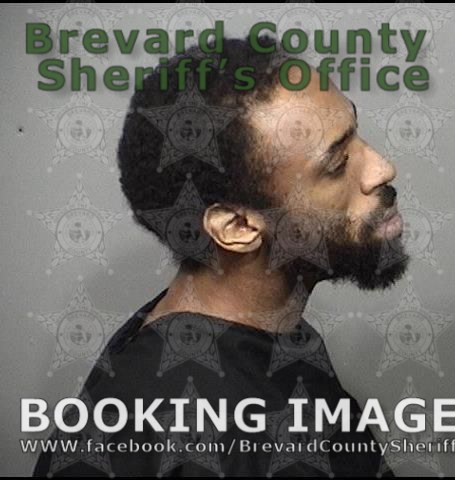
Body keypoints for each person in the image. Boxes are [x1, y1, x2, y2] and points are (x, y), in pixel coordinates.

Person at [32, 34, 408, 477]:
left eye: (356, 133)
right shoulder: (182, 432)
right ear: (238, 228)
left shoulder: (275, 333)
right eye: (337, 163)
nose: (382, 168)